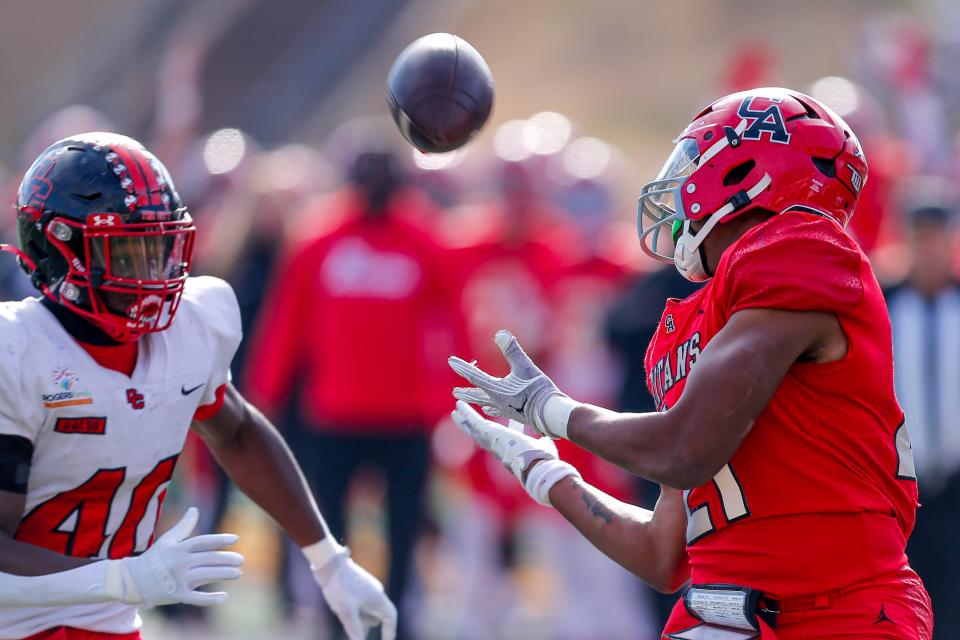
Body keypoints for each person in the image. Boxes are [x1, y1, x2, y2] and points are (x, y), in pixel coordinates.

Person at [448, 88, 933, 639]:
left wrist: (552, 412)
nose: (676, 188)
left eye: (693, 163)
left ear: (744, 172)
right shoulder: (694, 317)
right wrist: (546, 471)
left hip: (837, 613)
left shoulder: (802, 247)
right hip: (720, 615)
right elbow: (662, 553)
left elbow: (682, 449)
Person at [0, 133, 396, 640]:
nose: (150, 274)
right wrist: (122, 578)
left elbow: (236, 433)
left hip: (107, 627)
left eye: (157, 249)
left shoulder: (189, 329)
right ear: (61, 251)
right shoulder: (19, 354)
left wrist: (329, 561)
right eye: (125, 254)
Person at [244, 147, 460, 640]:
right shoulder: (320, 236)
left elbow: (453, 318)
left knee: (403, 529)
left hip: (405, 415)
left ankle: (400, 614)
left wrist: (453, 398)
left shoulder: (423, 237)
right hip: (336, 412)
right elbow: (288, 320)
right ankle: (337, 620)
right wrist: (266, 393)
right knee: (330, 529)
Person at [885, 196, 960, 639]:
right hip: (900, 485)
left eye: (938, 239)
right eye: (921, 239)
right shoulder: (882, 305)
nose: (929, 250)